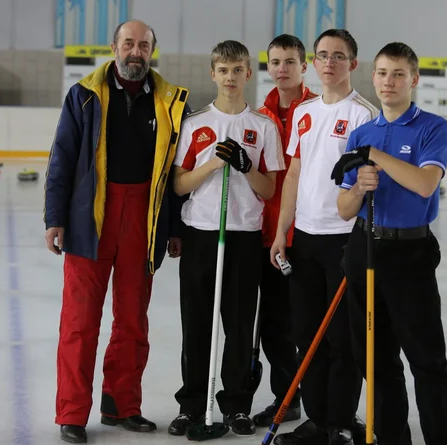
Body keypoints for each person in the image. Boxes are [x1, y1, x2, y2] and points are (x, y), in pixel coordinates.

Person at [44, 20, 189, 444]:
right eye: (129, 43)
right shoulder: (84, 96)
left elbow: (173, 171)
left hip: (143, 219)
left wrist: (174, 226)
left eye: (144, 45)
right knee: (79, 321)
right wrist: (55, 217)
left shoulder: (168, 101)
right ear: (114, 47)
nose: (135, 52)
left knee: (132, 320)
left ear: (152, 51)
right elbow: (62, 158)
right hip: (91, 218)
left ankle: (121, 404)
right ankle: (71, 412)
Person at [334, 42, 447, 445]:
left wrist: (376, 158)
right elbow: (343, 207)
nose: (389, 81)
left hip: (409, 255)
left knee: (427, 362)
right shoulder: (361, 132)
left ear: (414, 80)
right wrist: (359, 190)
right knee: (375, 361)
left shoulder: (433, 127)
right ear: (373, 77)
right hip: (364, 248)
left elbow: (425, 185)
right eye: (383, 73)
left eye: (399, 74)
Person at [168, 40, 284, 437]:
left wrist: (246, 166)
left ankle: (235, 405)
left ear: (248, 74)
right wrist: (213, 164)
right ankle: (191, 406)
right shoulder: (195, 124)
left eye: (238, 70)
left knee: (237, 326)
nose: (230, 77)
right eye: (223, 70)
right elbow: (180, 185)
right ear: (212, 74)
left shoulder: (263, 127)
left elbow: (268, 190)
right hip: (202, 235)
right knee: (196, 325)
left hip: (243, 236)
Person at [270, 29, 378, 445]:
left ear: (353, 63)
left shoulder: (362, 115)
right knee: (306, 334)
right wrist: (282, 230)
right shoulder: (304, 112)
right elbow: (295, 173)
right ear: (313, 64)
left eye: (339, 56)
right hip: (305, 237)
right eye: (322, 56)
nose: (329, 63)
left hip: (344, 239)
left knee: (342, 338)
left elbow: (367, 183)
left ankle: (340, 422)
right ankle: (316, 420)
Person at [251, 33, 317, 428]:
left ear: (303, 66)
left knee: (310, 324)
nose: (281, 69)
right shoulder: (260, 117)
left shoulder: (319, 111)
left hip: (309, 235)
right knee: (275, 326)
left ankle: (324, 404)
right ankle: (286, 397)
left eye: (289, 61)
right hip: (269, 237)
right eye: (275, 62)